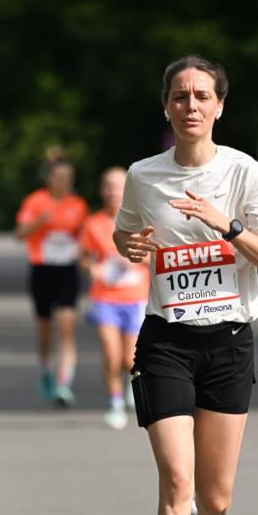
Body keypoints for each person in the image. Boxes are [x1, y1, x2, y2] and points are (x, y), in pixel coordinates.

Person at [113, 55, 258, 515]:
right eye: (180, 96)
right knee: (176, 481)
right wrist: (129, 245)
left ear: (219, 107)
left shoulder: (245, 173)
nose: (191, 105)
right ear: (166, 106)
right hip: (166, 341)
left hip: (229, 342)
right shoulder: (143, 176)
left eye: (202, 96)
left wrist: (225, 225)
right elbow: (125, 233)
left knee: (214, 498)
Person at [79, 167, 150, 430]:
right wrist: (91, 268)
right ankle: (115, 402)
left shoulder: (142, 221)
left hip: (135, 299)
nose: (113, 192)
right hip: (105, 298)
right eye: (108, 186)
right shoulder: (93, 223)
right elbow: (84, 257)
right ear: (102, 190)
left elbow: (155, 256)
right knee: (111, 354)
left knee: (129, 359)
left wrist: (136, 259)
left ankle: (130, 385)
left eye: (118, 186)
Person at [15, 161, 89, 404]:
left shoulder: (78, 205)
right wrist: (39, 221)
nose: (62, 182)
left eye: (67, 177)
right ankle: (46, 368)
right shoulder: (35, 201)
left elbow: (85, 238)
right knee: (45, 328)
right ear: (48, 178)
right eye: (57, 176)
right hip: (42, 270)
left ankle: (64, 383)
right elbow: (19, 234)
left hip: (67, 271)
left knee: (67, 326)